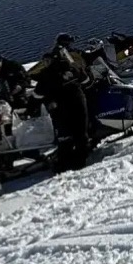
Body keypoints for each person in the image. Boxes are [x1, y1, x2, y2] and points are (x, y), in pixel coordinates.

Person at [32, 34, 90, 172]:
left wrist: (34, 105)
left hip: (60, 106)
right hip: (77, 100)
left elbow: (37, 94)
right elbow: (86, 80)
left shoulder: (46, 74)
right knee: (81, 133)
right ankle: (80, 161)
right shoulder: (72, 67)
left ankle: (63, 164)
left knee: (65, 136)